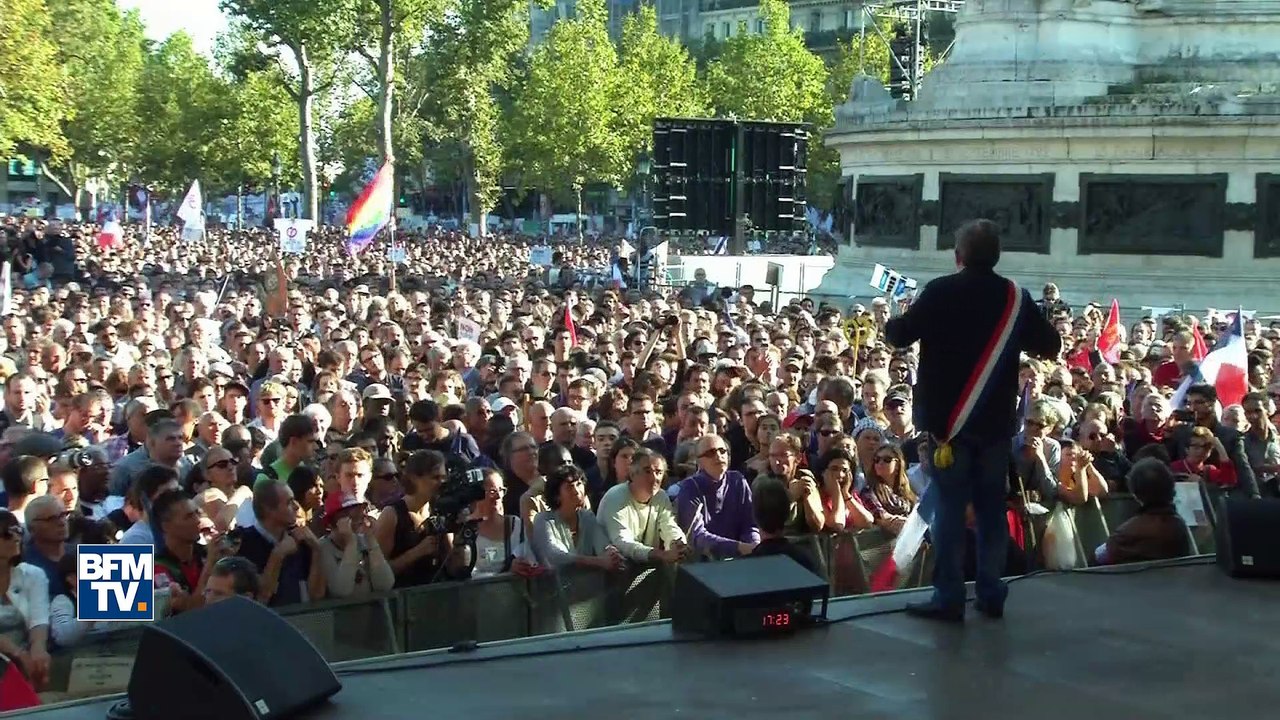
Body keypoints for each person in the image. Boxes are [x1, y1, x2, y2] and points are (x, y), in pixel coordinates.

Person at [884, 218, 1061, 622]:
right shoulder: (1015, 298)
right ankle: (990, 591)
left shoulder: (941, 292)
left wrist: (895, 318)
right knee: (990, 510)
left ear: (958, 255)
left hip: (948, 427)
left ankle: (948, 597)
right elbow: (1049, 345)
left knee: (948, 509)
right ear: (996, 255)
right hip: (995, 425)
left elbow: (900, 336)